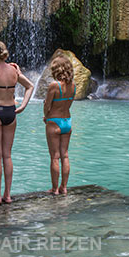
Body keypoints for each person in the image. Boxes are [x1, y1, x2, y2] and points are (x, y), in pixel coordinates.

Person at [0, 41, 34, 204]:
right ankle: (8, 195)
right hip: (11, 112)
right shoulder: (13, 70)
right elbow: (30, 86)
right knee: (7, 155)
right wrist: (23, 105)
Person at [43, 56, 75, 195]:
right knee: (65, 156)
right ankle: (64, 187)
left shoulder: (54, 86)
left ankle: (55, 189)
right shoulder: (73, 86)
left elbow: (47, 105)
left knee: (54, 157)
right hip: (67, 122)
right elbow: (69, 104)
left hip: (54, 121)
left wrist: (46, 116)